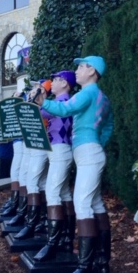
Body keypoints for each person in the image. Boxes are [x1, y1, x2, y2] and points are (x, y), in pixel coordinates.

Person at [34, 56, 113, 273]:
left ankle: (84, 268)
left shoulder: (88, 93)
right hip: (90, 151)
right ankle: (101, 262)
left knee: (82, 203)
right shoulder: (101, 97)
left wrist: (42, 102)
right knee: (95, 203)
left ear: (92, 71)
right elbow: (109, 125)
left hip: (88, 153)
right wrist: (97, 141)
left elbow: (66, 108)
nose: (76, 71)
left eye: (81, 67)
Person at [33, 70, 76, 261]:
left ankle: (53, 241)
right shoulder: (58, 102)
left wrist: (39, 94)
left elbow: (40, 111)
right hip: (57, 150)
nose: (53, 83)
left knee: (52, 192)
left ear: (65, 84)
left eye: (57, 80)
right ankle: (66, 237)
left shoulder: (64, 102)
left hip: (60, 149)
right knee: (64, 192)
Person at [13, 80, 52, 240]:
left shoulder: (46, 105)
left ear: (43, 91)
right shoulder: (37, 104)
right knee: (38, 182)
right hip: (33, 144)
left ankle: (32, 222)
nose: (32, 90)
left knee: (32, 181)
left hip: (41, 144)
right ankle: (38, 220)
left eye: (37, 87)